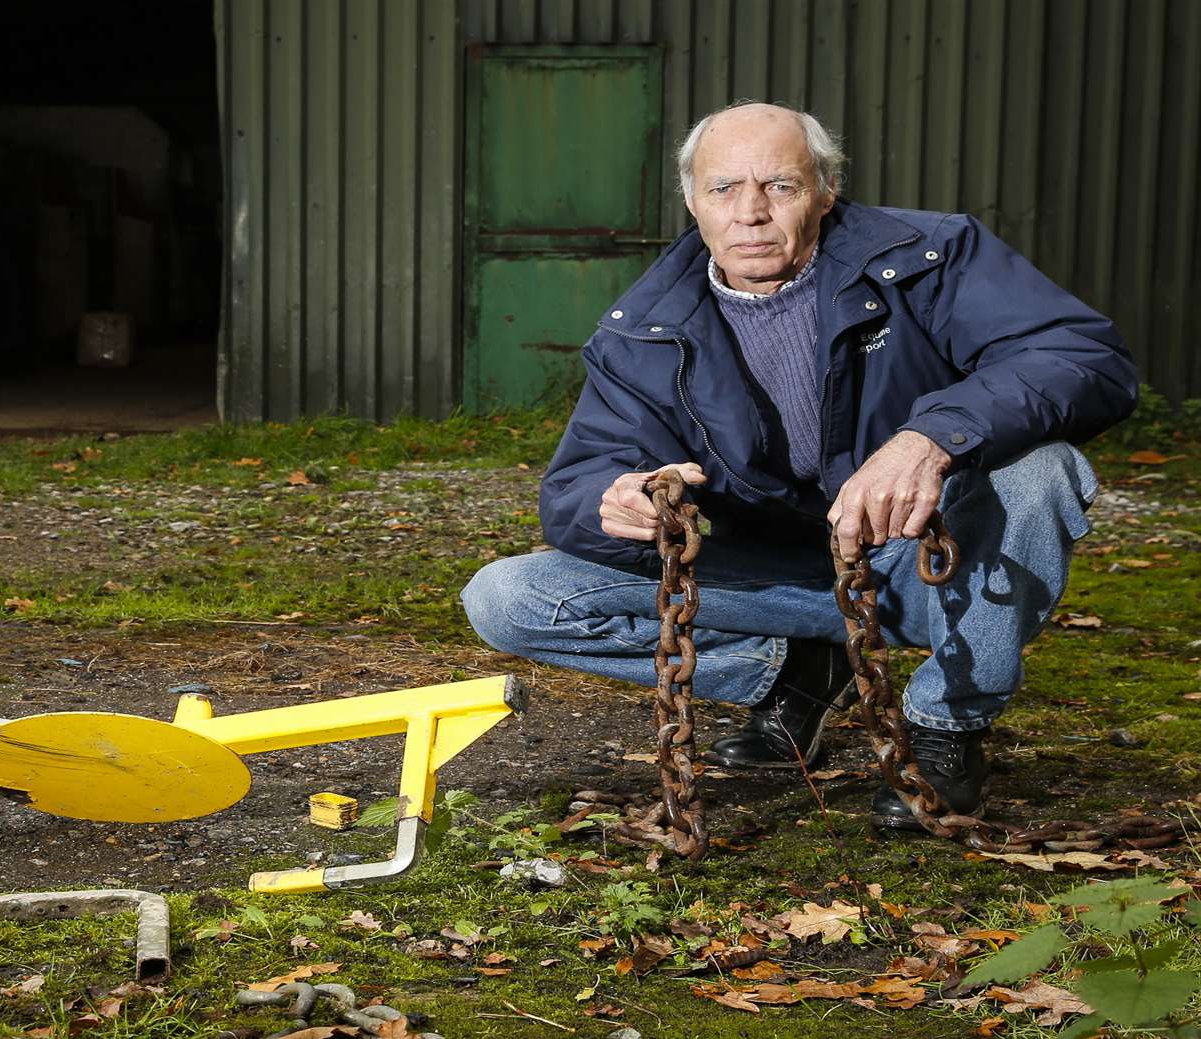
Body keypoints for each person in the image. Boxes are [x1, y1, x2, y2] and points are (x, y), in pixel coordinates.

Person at [461, 102, 1136, 830]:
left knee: (1042, 470)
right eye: (723, 189)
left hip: (933, 560)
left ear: (825, 190)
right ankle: (795, 671)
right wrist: (612, 499)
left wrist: (931, 439)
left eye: (779, 186)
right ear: (691, 201)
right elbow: (578, 480)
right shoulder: (644, 329)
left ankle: (946, 727)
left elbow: (1080, 357)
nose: (750, 212)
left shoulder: (930, 258)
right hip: (785, 577)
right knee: (509, 597)